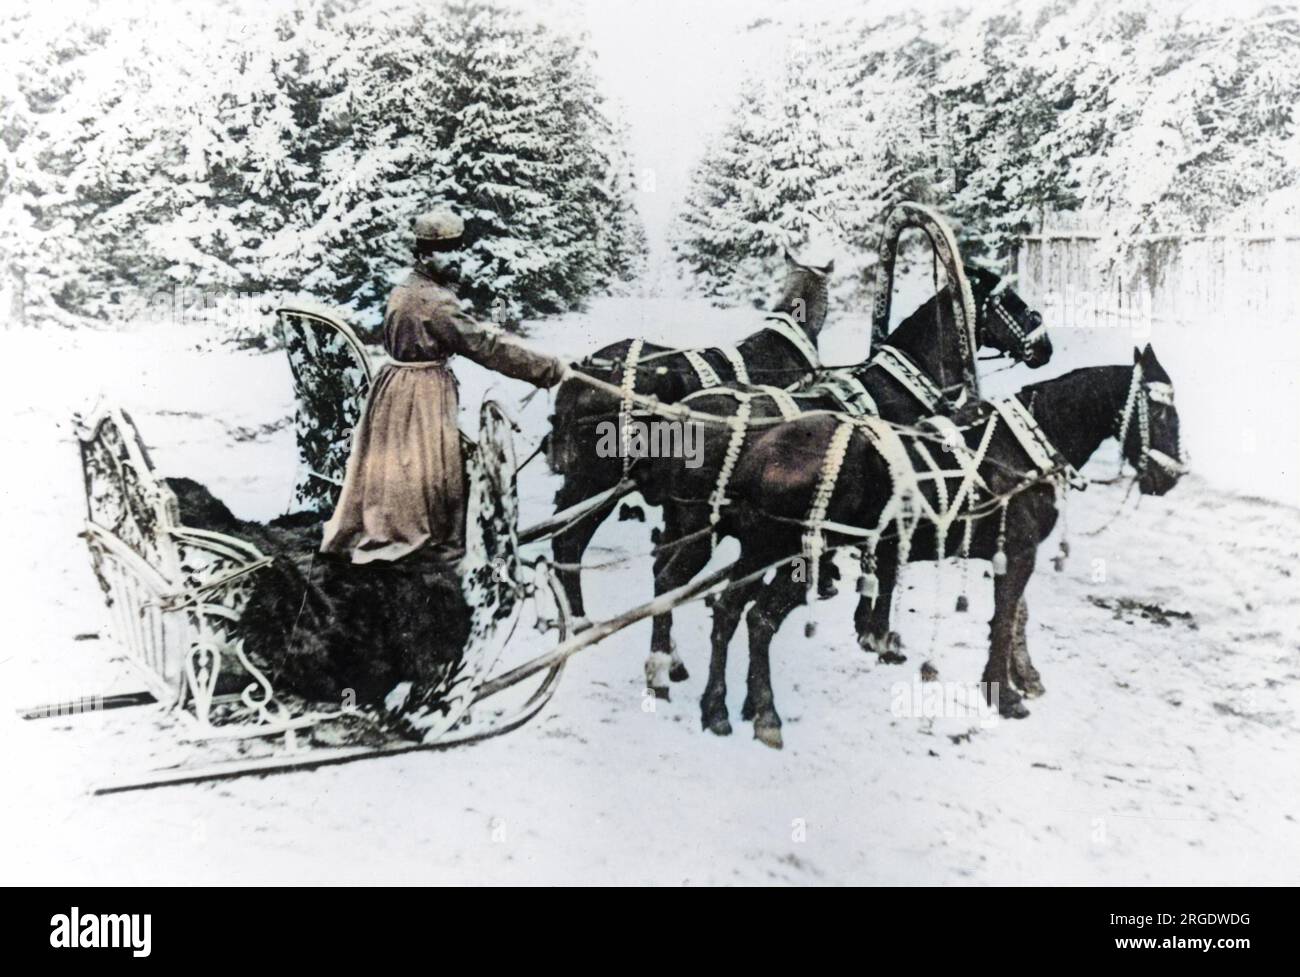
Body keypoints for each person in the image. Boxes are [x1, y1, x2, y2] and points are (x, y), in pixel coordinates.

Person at [320, 207, 568, 565]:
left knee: (399, 467)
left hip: (393, 387)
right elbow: (485, 347)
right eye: (445, 251)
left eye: (458, 249)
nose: (456, 258)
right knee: (425, 467)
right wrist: (548, 369)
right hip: (420, 393)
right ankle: (419, 538)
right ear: (423, 254)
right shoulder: (434, 302)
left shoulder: (409, 287)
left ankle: (391, 524)